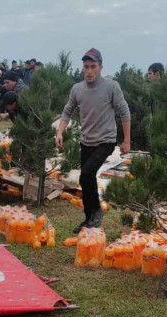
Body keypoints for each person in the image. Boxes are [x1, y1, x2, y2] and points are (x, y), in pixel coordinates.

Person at [56, 48, 131, 232]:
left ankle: (97, 211)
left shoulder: (111, 87)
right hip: (86, 141)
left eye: (93, 67)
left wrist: (127, 139)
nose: (89, 71)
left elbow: (124, 112)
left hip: (105, 140)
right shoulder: (77, 89)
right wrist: (59, 132)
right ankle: (89, 221)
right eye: (86, 67)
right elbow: (67, 111)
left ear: (100, 67)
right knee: (86, 180)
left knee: (86, 174)